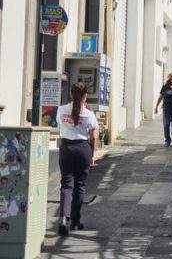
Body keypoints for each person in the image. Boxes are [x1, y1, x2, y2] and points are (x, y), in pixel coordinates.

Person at [55, 82, 98, 236]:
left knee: (66, 185)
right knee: (80, 186)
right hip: (82, 148)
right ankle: (75, 221)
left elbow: (60, 124)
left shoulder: (61, 110)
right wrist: (92, 155)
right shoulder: (88, 113)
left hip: (66, 148)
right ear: (85, 96)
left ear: (71, 94)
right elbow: (93, 135)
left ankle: (62, 220)